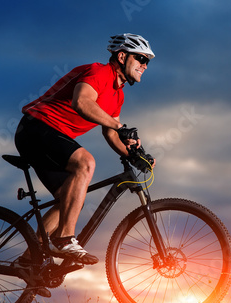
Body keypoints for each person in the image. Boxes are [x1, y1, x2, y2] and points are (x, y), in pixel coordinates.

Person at [14, 33, 155, 265]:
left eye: (147, 61)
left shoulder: (118, 95)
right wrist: (119, 126)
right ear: (122, 56)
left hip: (51, 138)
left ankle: (28, 261)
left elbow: (110, 133)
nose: (144, 65)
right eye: (141, 58)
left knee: (67, 200)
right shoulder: (98, 72)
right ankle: (64, 239)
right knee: (86, 163)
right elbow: (81, 102)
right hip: (36, 128)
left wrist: (134, 155)